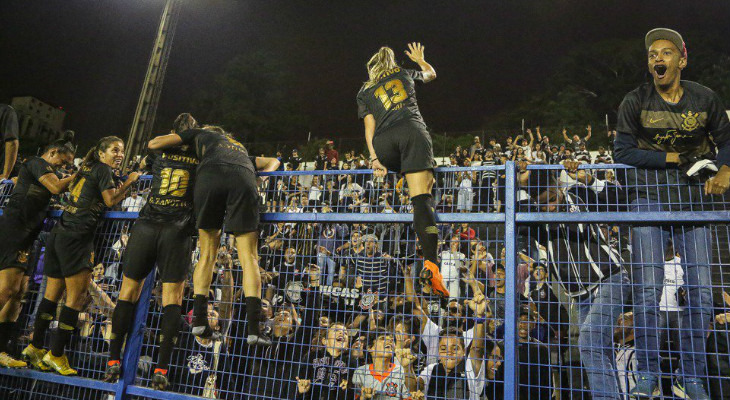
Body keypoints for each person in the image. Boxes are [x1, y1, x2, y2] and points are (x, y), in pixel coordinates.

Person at [614, 28, 730, 399]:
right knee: (647, 291)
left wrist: (726, 168)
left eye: (664, 53)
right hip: (648, 198)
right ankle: (647, 373)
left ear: (682, 59)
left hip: (696, 202)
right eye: (651, 55)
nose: (656, 59)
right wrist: (675, 157)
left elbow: (727, 141)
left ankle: (690, 376)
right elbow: (622, 152)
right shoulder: (635, 100)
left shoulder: (705, 98)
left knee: (702, 293)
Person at [148, 124, 280, 346]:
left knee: (207, 254)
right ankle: (254, 329)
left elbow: (154, 143)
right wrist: (258, 180)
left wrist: (185, 143)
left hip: (210, 176)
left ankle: (199, 319)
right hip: (243, 177)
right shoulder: (240, 149)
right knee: (249, 258)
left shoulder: (201, 135)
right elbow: (273, 161)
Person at [23, 136, 140, 376]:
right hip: (77, 237)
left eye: (122, 151)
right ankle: (56, 354)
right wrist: (129, 181)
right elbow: (110, 200)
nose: (120, 154)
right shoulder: (103, 169)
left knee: (51, 296)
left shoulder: (87, 167)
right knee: (75, 299)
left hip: (60, 233)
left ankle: (35, 348)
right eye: (115, 150)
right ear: (101, 152)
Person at [102, 113, 200, 389]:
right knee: (173, 299)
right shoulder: (201, 156)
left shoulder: (158, 151)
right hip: (177, 231)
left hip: (146, 226)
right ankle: (162, 368)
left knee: (128, 292)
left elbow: (144, 160)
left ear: (173, 133)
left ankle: (112, 360)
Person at [357, 42, 449, 299]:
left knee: (410, 174)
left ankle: (404, 175)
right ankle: (432, 265)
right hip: (412, 132)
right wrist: (421, 60)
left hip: (384, 145)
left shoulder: (365, 89)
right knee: (421, 199)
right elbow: (431, 75)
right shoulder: (405, 73)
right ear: (393, 62)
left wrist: (374, 158)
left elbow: (368, 127)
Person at [0, 141, 75, 368]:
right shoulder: (36, 163)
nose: (62, 169)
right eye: (62, 162)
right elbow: (56, 187)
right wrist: (83, 173)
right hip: (15, 229)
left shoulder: (46, 171)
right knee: (6, 289)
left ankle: (1, 349)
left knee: (19, 293)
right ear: (52, 152)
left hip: (28, 235)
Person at [351, 328, 415, 400]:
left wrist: (406, 367)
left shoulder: (400, 370)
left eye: (391, 339)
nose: (390, 341)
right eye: (382, 338)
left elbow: (410, 396)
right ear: (370, 348)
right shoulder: (360, 372)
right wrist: (363, 397)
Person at [0, 104, 19, 181]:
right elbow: (11, 143)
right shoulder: (5, 110)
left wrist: (5, 175)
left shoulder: (4, 110)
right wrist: (5, 175)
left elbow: (12, 143)